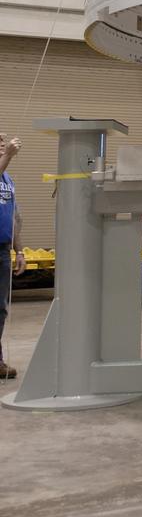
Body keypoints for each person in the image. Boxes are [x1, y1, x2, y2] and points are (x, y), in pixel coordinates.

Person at [0, 132, 26, 379]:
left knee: (0, 309)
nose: (1, 144)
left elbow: (14, 218)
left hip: (3, 250)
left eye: (2, 142)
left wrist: (19, 250)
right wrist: (7, 155)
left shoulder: (8, 179)